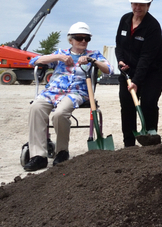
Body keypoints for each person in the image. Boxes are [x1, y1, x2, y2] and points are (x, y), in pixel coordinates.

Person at [23, 22, 112, 171]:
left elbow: (108, 69)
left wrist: (92, 61)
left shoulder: (93, 54)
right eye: (79, 38)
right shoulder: (60, 52)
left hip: (77, 92)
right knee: (36, 107)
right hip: (53, 91)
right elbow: (34, 61)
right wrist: (58, 57)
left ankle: (62, 151)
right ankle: (38, 156)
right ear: (70, 40)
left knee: (60, 113)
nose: (83, 41)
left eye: (86, 38)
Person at [115, 0, 162, 147]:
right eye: (135, 4)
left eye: (142, 4)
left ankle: (150, 139)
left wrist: (136, 81)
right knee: (127, 104)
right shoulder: (125, 20)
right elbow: (119, 45)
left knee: (148, 103)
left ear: (149, 5)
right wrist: (120, 61)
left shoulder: (152, 26)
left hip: (154, 71)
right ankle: (129, 144)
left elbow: (146, 57)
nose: (137, 7)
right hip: (128, 70)